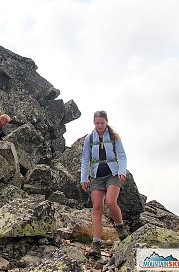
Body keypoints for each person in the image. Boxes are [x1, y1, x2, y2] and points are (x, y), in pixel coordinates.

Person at [80, 110, 128, 259]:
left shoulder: (114, 137)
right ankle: (96, 245)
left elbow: (121, 155)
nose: (100, 125)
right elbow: (85, 159)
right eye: (97, 123)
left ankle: (120, 228)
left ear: (106, 122)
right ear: (94, 123)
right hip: (96, 177)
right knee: (97, 207)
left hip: (112, 174)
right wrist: (84, 178)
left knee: (111, 201)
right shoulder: (89, 138)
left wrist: (122, 171)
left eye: (102, 122)